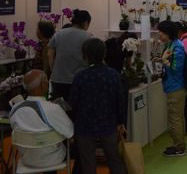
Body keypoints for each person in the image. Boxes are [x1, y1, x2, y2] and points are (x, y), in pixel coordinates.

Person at [69, 39, 127, 173]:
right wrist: (120, 122)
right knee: (114, 158)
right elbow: (120, 101)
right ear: (104, 54)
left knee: (88, 161)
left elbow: (73, 103)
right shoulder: (113, 74)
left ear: (85, 56)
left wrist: (73, 123)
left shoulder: (80, 77)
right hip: (108, 123)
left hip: (84, 125)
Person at [10, 70, 73, 173]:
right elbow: (70, 132)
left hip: (27, 160)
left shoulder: (15, 109)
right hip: (53, 160)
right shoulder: (53, 108)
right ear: (43, 85)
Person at [157, 20, 187, 156]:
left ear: (168, 33)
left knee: (175, 118)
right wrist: (161, 60)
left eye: (161, 32)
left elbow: (176, 68)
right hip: (172, 86)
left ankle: (179, 147)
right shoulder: (171, 45)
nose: (159, 35)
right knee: (177, 117)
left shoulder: (177, 47)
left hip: (176, 87)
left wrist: (164, 61)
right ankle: (178, 144)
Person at [48, 9, 92, 102]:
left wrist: (53, 69)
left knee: (59, 108)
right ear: (85, 22)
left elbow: (49, 54)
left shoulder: (58, 33)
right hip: (79, 80)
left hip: (58, 79)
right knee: (76, 107)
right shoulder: (88, 37)